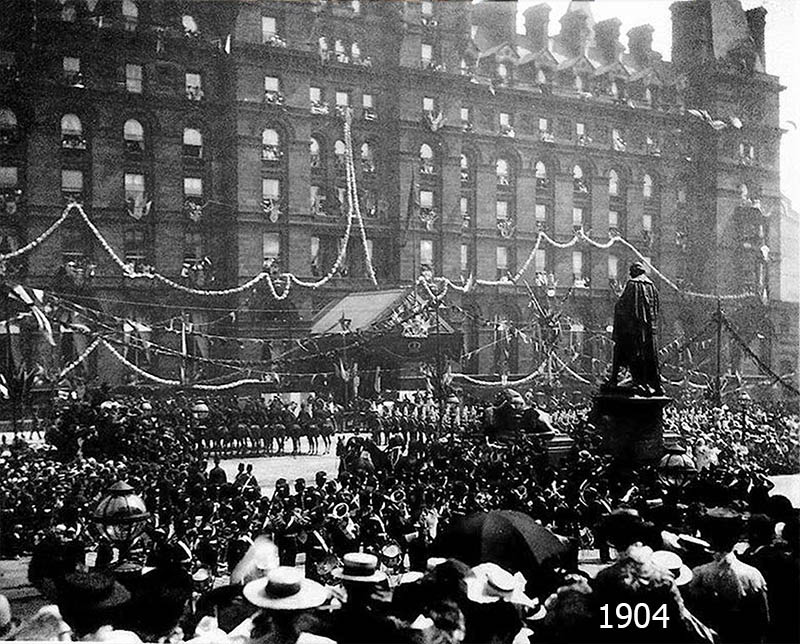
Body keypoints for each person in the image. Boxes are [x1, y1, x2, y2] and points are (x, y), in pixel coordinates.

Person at [683, 508, 769, 644]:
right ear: (737, 536)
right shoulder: (752, 575)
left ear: (707, 536)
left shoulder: (697, 574)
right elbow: (763, 620)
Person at [605, 261, 662, 395]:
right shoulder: (652, 286)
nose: (630, 275)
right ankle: (651, 383)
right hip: (649, 332)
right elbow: (657, 309)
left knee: (619, 351)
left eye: (631, 273)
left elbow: (622, 306)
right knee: (649, 357)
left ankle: (617, 380)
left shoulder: (632, 284)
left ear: (635, 272)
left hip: (633, 330)